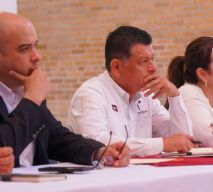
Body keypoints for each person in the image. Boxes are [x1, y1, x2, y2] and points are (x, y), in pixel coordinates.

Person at [0, 12, 129, 167]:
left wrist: (99, 151)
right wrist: (33, 98)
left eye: (36, 46)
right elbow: (4, 146)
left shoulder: (27, 92)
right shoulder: (32, 95)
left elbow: (57, 139)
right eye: (24, 49)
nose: (37, 56)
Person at [68, 26, 195, 156]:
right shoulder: (90, 94)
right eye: (144, 61)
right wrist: (162, 144)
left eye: (152, 59)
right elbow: (96, 142)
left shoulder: (146, 96)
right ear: (116, 67)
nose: (153, 68)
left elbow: (183, 140)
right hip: (100, 175)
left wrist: (174, 96)